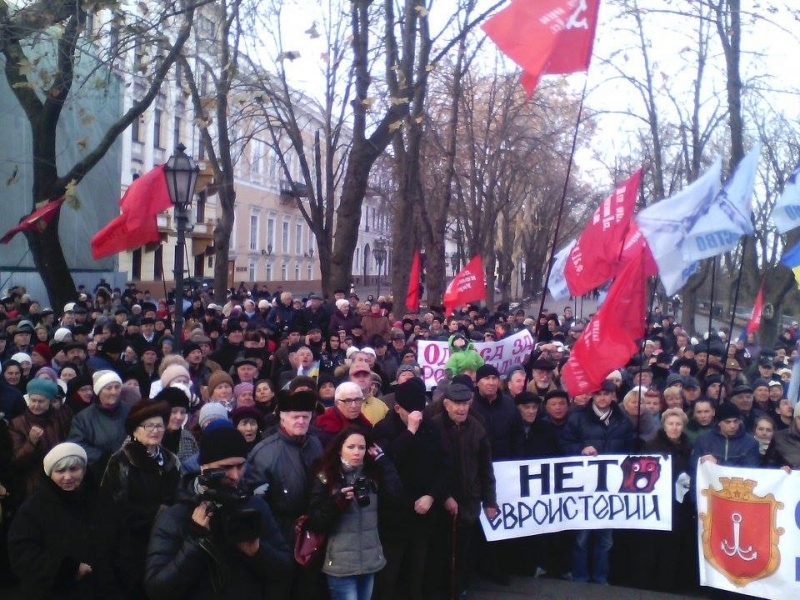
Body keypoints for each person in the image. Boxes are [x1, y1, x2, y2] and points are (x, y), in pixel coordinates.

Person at [145, 426, 292, 599]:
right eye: (226, 467)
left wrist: (258, 552)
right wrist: (195, 543)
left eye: (240, 466)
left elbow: (285, 570)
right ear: (204, 466)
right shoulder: (176, 515)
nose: (235, 476)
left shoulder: (255, 507)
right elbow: (157, 589)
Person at [8, 443, 125, 599]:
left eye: (74, 469)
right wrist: (67, 570)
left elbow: (121, 542)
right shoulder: (33, 509)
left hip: (104, 589)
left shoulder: (102, 500)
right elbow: (22, 554)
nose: (68, 476)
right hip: (54, 592)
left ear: (84, 470)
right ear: (50, 474)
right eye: (60, 471)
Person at [306, 427, 403, 600]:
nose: (357, 452)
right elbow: (316, 520)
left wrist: (384, 462)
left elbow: (395, 496)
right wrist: (338, 501)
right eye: (351, 447)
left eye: (361, 447)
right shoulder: (327, 476)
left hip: (370, 559)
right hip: (340, 563)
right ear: (339, 448)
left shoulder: (372, 474)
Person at [372, 377, 446, 600]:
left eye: (420, 411)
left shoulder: (432, 427)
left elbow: (445, 465)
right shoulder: (383, 428)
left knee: (417, 570)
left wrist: (432, 496)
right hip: (394, 516)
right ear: (397, 408)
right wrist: (410, 432)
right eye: (410, 411)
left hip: (423, 511)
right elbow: (387, 461)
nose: (417, 416)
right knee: (390, 572)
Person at [100, 397, 181, 599]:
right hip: (132, 543)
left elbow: (179, 497)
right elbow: (113, 505)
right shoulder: (122, 461)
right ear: (135, 430)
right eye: (148, 426)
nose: (155, 430)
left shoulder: (171, 460)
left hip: (167, 540)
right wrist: (157, 514)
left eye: (159, 426)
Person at [559, 380, 635, 585]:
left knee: (606, 538)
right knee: (581, 537)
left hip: (611, 489)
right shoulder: (577, 419)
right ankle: (580, 577)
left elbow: (632, 451)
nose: (602, 398)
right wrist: (580, 450)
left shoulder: (624, 421)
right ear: (592, 395)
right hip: (584, 487)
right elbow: (564, 444)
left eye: (606, 394)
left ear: (613, 396)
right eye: (598, 393)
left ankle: (601, 577)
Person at [430, 376, 498, 598]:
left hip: (469, 501)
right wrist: (444, 496)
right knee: (440, 551)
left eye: (465, 403)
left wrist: (490, 500)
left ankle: (459, 589)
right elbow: (427, 468)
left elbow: (485, 468)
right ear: (447, 404)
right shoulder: (433, 427)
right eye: (457, 403)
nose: (461, 408)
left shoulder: (477, 428)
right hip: (439, 503)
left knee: (463, 551)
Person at [634, 408, 696, 592]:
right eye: (671, 424)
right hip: (658, 505)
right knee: (653, 546)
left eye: (678, 424)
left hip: (680, 505)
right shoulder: (651, 445)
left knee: (674, 546)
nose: (675, 428)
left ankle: (668, 584)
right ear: (664, 425)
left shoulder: (689, 447)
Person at [9, 378, 73, 505]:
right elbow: (17, 460)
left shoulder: (61, 418)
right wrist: (31, 442)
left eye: (41, 401)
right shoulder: (18, 424)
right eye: (33, 400)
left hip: (60, 476)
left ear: (49, 401)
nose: (36, 405)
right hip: (33, 482)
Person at [67, 370, 131, 482]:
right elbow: (76, 444)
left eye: (117, 387)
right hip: (99, 475)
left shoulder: (131, 411)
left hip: (130, 472)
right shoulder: (84, 418)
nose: (114, 392)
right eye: (109, 388)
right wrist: (105, 457)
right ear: (99, 391)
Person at [691, 402, 761, 470]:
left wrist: (718, 463)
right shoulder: (703, 441)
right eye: (728, 422)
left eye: (736, 421)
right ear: (719, 423)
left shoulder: (750, 443)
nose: (732, 426)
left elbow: (750, 470)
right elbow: (695, 467)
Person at [314, 382, 373, 447]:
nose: (354, 405)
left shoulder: (365, 425)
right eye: (348, 401)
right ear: (337, 403)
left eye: (357, 400)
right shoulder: (324, 428)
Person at [765, 402, 800, 468]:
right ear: (795, 419)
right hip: (789, 477)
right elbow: (768, 465)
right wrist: (780, 470)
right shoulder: (779, 438)